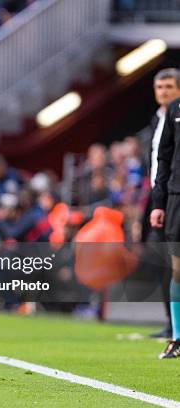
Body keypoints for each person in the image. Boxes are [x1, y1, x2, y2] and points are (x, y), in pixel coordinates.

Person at [142, 68, 180, 339]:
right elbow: (159, 160)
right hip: (159, 193)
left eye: (169, 86)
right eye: (159, 87)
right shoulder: (157, 120)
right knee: (160, 259)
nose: (163, 92)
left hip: (171, 193)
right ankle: (171, 323)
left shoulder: (175, 115)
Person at [150, 92, 180, 359]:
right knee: (177, 268)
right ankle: (178, 337)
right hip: (177, 199)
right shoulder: (175, 110)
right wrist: (158, 202)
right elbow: (164, 159)